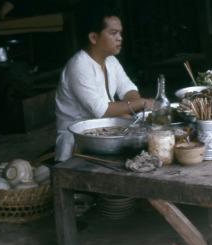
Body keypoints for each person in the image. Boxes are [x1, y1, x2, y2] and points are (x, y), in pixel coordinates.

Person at [54, 1, 153, 162]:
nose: (119, 38)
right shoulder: (79, 66)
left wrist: (135, 107)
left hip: (104, 134)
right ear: (94, 37)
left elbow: (128, 89)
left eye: (120, 33)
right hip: (77, 143)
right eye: (113, 33)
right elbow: (101, 110)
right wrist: (143, 103)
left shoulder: (111, 61)